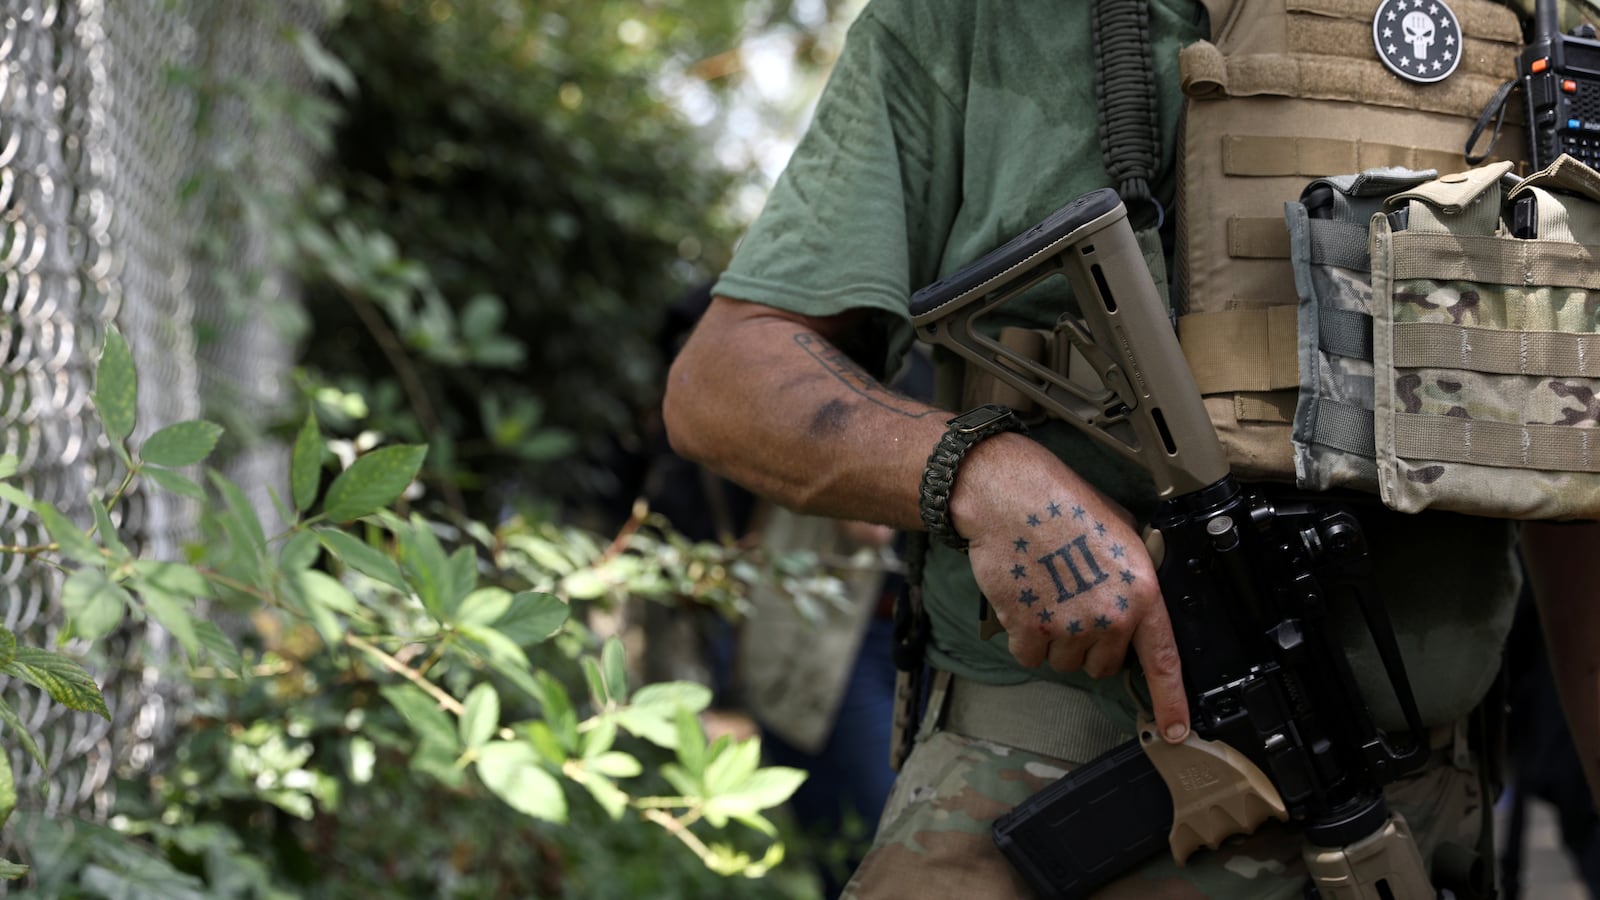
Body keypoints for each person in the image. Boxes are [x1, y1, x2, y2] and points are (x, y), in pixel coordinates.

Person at [662, 2, 1600, 898]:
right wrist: (974, 473)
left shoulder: (1543, 33)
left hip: (1419, 823)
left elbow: (1575, 465)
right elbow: (726, 377)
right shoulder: (974, 21)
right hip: (1052, 792)